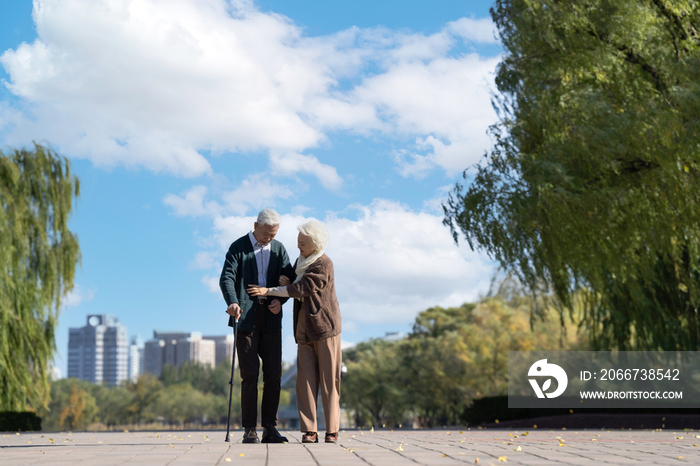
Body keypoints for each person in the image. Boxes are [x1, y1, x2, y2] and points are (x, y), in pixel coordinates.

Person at [248, 219, 342, 444]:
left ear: (315, 244)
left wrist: (270, 290)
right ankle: (310, 430)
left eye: (303, 243)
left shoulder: (323, 263)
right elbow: (290, 277)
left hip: (325, 328)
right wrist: (284, 278)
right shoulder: (302, 261)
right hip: (304, 330)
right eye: (298, 242)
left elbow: (302, 287)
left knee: (329, 381)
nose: (298, 246)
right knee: (305, 381)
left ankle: (331, 430)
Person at [219, 208, 294, 444]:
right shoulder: (238, 247)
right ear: (255, 225)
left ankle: (270, 427)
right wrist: (232, 301)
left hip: (271, 318)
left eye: (273, 234)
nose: (269, 238)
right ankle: (249, 428)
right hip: (246, 318)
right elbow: (227, 277)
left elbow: (288, 277)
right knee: (249, 375)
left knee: (273, 375)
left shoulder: (279, 248)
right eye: (266, 233)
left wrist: (280, 299)